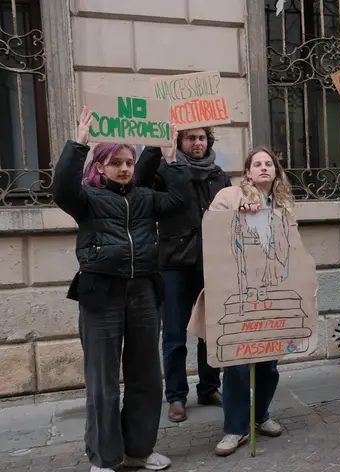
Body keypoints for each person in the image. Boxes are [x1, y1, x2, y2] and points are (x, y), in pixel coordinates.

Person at [55, 108, 189, 472]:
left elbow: (179, 201)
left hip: (144, 291)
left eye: (129, 162)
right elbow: (61, 189)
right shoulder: (87, 198)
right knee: (103, 383)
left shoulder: (145, 198)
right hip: (101, 294)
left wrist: (171, 159)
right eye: (116, 162)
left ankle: (139, 451)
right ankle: (104, 457)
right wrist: (78, 144)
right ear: (101, 166)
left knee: (146, 376)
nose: (126, 168)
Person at [187, 146, 290, 456]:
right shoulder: (229, 196)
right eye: (256, 163)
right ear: (247, 171)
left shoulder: (284, 202)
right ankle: (235, 428)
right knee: (239, 365)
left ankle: (259, 416)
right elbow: (211, 228)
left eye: (268, 163)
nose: (262, 168)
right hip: (236, 293)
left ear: (276, 170)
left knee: (268, 365)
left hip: (271, 293)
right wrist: (236, 216)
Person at [135, 127, 228, 423]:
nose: (197, 143)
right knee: (174, 334)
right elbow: (140, 180)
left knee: (211, 330)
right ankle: (176, 396)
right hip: (174, 262)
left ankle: (210, 387)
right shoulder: (164, 170)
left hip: (211, 262)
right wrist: (154, 144)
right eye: (191, 138)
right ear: (179, 142)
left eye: (202, 138)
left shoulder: (218, 174)